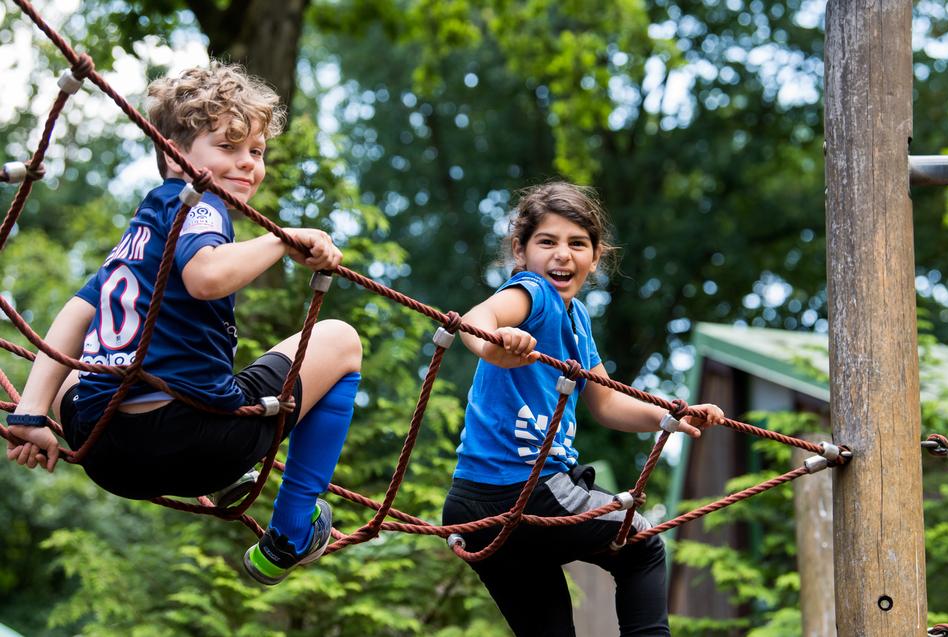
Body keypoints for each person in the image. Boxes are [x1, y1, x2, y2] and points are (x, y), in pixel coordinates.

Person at [4, 63, 362, 586]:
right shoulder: (201, 205)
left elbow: (78, 313)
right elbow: (205, 277)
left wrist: (31, 412)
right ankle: (289, 531)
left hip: (106, 450)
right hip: (197, 440)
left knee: (83, 369)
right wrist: (283, 238)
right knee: (341, 341)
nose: (248, 164)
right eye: (229, 147)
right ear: (176, 151)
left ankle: (237, 473)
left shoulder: (141, 229)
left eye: (256, 151)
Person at [442, 182, 724, 636]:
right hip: (525, 488)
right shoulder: (532, 292)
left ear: (596, 257)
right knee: (643, 547)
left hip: (473, 505)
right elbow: (478, 318)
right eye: (547, 242)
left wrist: (668, 415)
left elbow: (606, 400)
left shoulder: (576, 320)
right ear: (521, 250)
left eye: (578, 244)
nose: (562, 255)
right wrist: (493, 345)